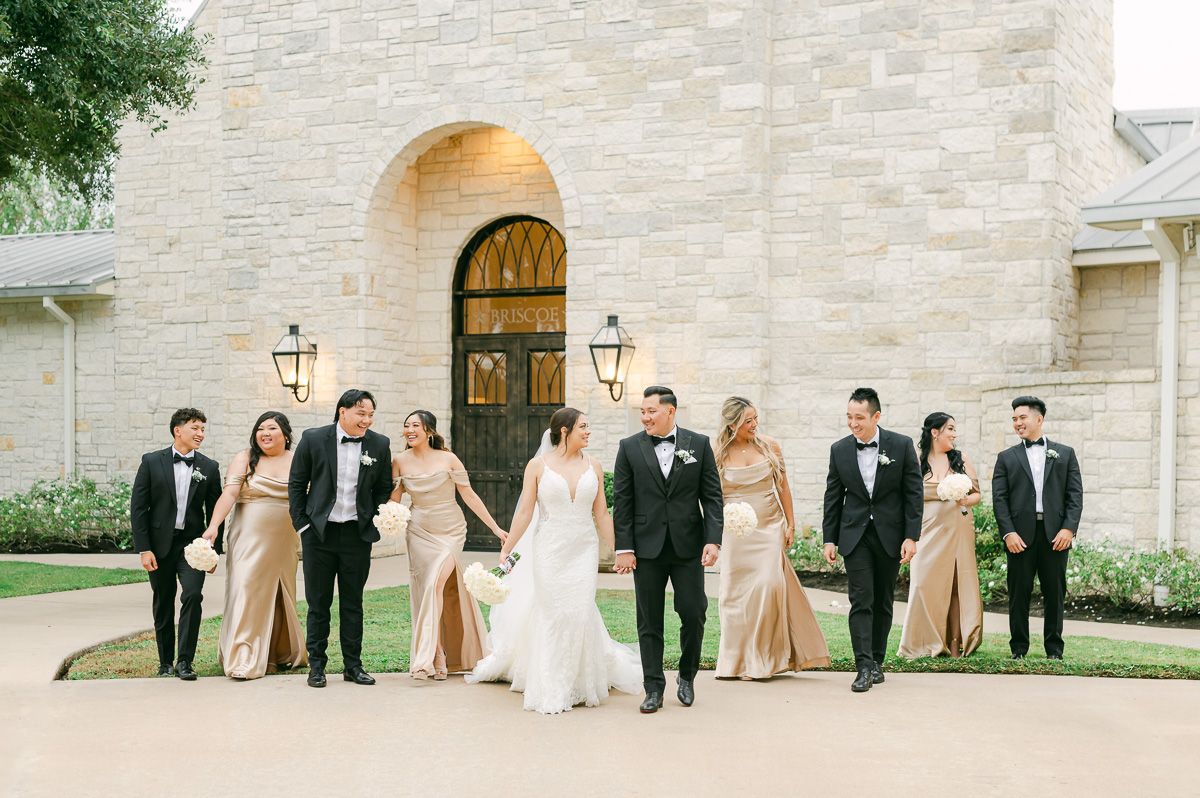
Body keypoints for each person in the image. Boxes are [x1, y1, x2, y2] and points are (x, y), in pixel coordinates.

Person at [466, 408, 642, 713]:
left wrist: (619, 549)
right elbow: (524, 512)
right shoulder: (538, 466)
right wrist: (507, 547)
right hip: (549, 549)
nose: (588, 431)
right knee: (552, 611)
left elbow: (601, 513)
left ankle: (579, 679)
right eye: (583, 427)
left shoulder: (594, 465)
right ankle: (550, 684)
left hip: (583, 548)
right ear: (564, 431)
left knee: (579, 609)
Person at [612, 386, 724, 713]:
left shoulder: (699, 445)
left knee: (694, 612)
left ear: (670, 411)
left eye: (651, 411)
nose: (645, 417)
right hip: (645, 549)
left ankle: (686, 677)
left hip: (688, 547)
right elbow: (624, 502)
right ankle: (653, 688)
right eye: (642, 412)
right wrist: (625, 547)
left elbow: (713, 497)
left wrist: (713, 539)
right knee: (649, 620)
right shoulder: (629, 448)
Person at [714, 397, 830, 679]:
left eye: (756, 418)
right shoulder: (716, 451)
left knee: (768, 587)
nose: (754, 425)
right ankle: (733, 662)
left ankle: (762, 660)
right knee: (734, 594)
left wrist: (790, 523)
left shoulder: (770, 446)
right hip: (734, 532)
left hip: (769, 527)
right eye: (747, 421)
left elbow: (784, 487)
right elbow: (710, 494)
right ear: (732, 424)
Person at [288, 389, 393, 688]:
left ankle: (353, 666)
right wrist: (303, 526)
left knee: (353, 603)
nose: (367, 420)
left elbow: (384, 488)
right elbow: (296, 484)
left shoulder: (380, 444)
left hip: (356, 535)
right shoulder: (313, 439)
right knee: (317, 603)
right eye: (362, 413)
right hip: (319, 534)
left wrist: (373, 518)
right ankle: (317, 667)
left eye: (371, 414)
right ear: (342, 411)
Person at [390, 410, 507, 681]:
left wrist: (494, 528)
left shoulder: (448, 458)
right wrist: (387, 518)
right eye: (406, 425)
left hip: (451, 530)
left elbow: (468, 494)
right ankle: (436, 653)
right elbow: (394, 499)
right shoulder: (399, 461)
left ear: (429, 431)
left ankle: (431, 654)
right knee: (428, 587)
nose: (409, 430)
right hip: (419, 531)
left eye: (415, 425)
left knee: (437, 583)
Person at [822, 387, 922, 693]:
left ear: (876, 416)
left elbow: (913, 495)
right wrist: (829, 538)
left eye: (859, 417)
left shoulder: (901, 445)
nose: (853, 423)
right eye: (849, 417)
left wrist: (911, 536)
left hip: (890, 535)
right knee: (861, 600)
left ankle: (878, 659)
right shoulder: (839, 450)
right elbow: (833, 497)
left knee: (883, 601)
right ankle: (863, 666)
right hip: (855, 536)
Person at [204, 411, 308, 680]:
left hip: (284, 539)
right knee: (247, 590)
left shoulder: (298, 459)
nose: (265, 433)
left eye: (271, 428)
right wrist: (214, 525)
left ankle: (273, 655)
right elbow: (229, 493)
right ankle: (243, 656)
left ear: (285, 434)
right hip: (248, 538)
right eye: (260, 428)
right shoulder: (245, 457)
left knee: (277, 594)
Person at [130, 408, 223, 681]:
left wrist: (213, 553)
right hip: (158, 546)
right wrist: (144, 548)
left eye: (203, 429)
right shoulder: (151, 462)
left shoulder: (209, 467)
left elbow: (216, 512)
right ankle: (165, 663)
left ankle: (185, 661)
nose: (200, 434)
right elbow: (138, 508)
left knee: (193, 596)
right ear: (177, 430)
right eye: (195, 428)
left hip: (192, 548)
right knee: (163, 602)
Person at [992, 396, 1083, 660]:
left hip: (1056, 535)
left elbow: (1074, 495)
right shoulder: (1006, 458)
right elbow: (1000, 499)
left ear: (1039, 419)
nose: (1017, 423)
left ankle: (1054, 649)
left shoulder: (1065, 454)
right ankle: (1018, 649)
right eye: (1014, 419)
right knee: (1018, 594)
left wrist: (1068, 529)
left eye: (1022, 417)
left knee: (1055, 593)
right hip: (1019, 536)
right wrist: (1008, 532)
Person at [898, 412, 984, 659]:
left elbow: (977, 494)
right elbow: (906, 497)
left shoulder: (961, 459)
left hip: (958, 528)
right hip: (926, 530)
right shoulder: (917, 460)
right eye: (950, 429)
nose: (954, 434)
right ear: (935, 432)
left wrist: (966, 499)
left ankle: (955, 642)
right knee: (923, 583)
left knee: (957, 585)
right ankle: (923, 640)